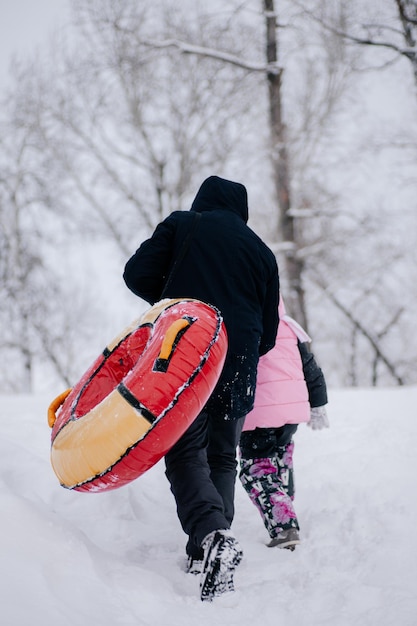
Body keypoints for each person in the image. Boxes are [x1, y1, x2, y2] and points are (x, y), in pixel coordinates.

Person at [123, 175, 279, 601]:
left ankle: (210, 538)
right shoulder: (262, 251)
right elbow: (269, 332)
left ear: (202, 200)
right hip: (240, 356)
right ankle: (207, 547)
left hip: (188, 349)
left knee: (185, 450)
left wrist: (175, 301)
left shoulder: (183, 224)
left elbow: (136, 274)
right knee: (223, 456)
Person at [238, 296, 328, 549]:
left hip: (258, 413)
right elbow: (311, 368)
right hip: (290, 412)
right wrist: (318, 404)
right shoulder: (288, 327)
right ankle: (285, 500)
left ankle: (284, 527)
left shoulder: (242, 325)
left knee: (256, 470)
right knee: (279, 457)